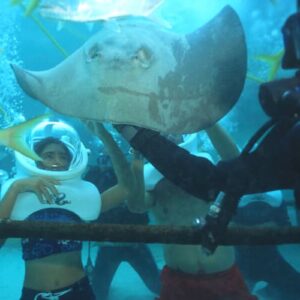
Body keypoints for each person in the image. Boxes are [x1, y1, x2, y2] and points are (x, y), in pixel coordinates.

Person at [0, 119, 137, 300]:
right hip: (35, 294)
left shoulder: (82, 195)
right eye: (49, 155)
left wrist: (104, 137)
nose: (57, 161)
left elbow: (126, 188)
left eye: (63, 156)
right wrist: (17, 187)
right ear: (36, 160)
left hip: (78, 292)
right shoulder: (17, 193)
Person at [128, 124, 257, 300]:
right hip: (178, 280)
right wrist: (137, 168)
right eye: (161, 132)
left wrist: (209, 121)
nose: (168, 135)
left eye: (174, 130)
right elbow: (136, 206)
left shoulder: (207, 169)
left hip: (224, 276)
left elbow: (235, 161)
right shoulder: (152, 183)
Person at [84, 163, 161, 300]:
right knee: (156, 285)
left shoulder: (99, 174)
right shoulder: (130, 172)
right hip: (126, 244)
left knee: (98, 292)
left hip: (115, 244)